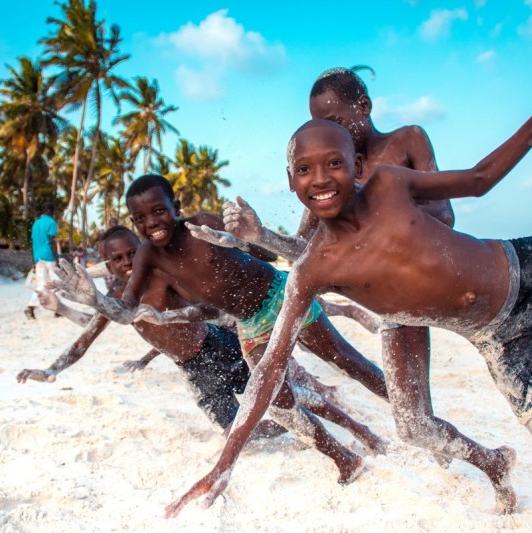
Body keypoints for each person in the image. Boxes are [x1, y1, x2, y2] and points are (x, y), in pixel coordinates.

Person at [163, 47, 532, 517]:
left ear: (355, 164)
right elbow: (269, 369)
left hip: (525, 268)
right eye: (304, 170)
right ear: (290, 179)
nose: (320, 179)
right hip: (497, 338)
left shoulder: (390, 179)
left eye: (335, 161)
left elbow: (476, 180)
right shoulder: (314, 264)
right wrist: (223, 463)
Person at [212, 64, 532, 464]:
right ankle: (494, 462)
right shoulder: (328, 182)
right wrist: (260, 235)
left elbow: (446, 214)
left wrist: (370, 202)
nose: (329, 132)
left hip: (445, 276)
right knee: (413, 425)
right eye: (318, 123)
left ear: (365, 106)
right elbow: (304, 252)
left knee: (512, 354)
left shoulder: (402, 145)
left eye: (335, 120)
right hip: (396, 307)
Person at [50, 175, 391, 484]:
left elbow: (265, 256)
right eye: (140, 218)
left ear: (176, 207)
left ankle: (409, 415)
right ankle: (345, 459)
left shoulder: (201, 224)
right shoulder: (148, 257)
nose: (151, 223)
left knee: (348, 362)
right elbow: (125, 311)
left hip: (280, 297)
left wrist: (242, 236)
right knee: (279, 405)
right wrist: (94, 299)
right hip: (249, 324)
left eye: (158, 211)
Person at [20, 226, 385, 451]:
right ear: (109, 266)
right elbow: (86, 334)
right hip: (195, 371)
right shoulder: (114, 301)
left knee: (279, 393)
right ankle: (302, 428)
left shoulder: (163, 279)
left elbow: (203, 309)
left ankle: (349, 422)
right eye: (117, 259)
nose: (127, 261)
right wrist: (50, 367)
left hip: (218, 345)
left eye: (133, 252)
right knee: (240, 431)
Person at [25, 202, 59, 320]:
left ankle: (31, 307)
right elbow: (51, 241)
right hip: (49, 257)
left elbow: (32, 243)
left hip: (38, 258)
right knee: (56, 282)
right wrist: (56, 258)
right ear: (51, 211)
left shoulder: (36, 223)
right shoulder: (51, 222)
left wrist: (33, 260)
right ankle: (57, 309)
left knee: (42, 284)